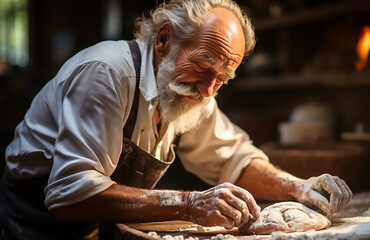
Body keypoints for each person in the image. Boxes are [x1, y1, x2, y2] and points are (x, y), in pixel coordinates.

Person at [0, 0, 352, 239]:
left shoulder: (193, 91)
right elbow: (69, 193)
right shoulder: (106, 73)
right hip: (33, 224)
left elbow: (234, 159)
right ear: (165, 40)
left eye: (222, 79)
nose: (209, 89)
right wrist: (189, 205)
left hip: (98, 227)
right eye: (203, 65)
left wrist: (297, 186)